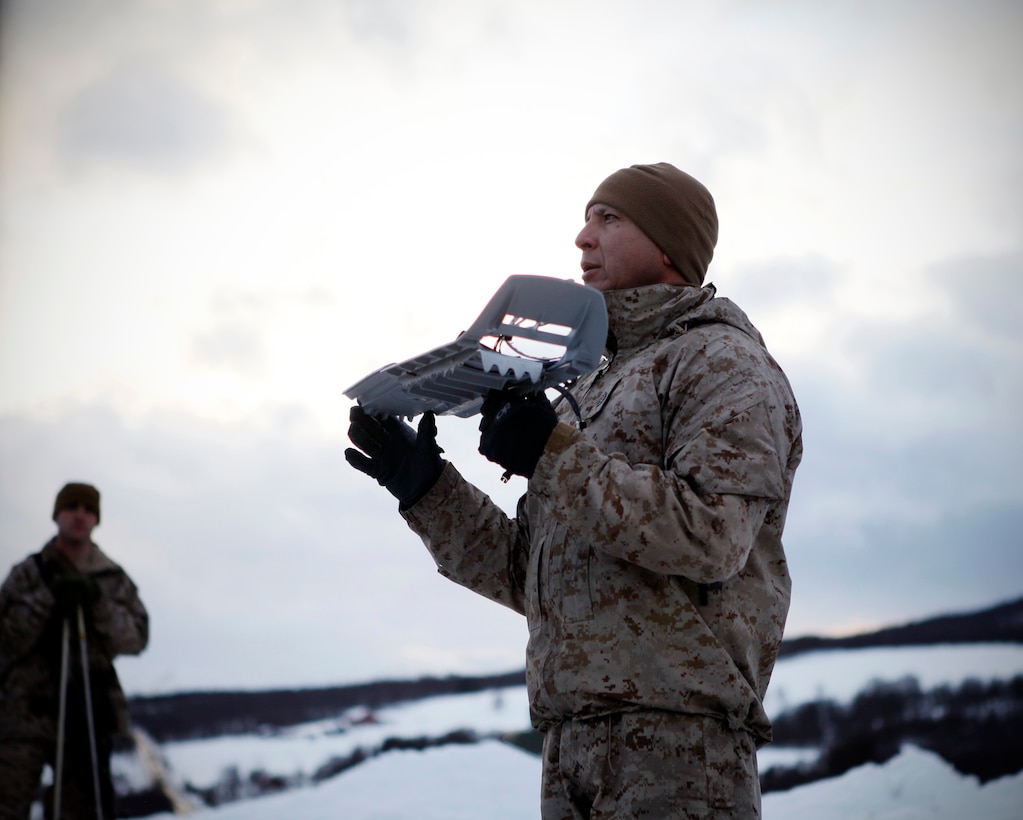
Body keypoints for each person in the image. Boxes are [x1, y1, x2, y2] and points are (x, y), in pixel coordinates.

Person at [346, 162, 802, 818]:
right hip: (567, 747)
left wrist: (551, 455)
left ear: (669, 243)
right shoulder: (585, 387)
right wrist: (427, 490)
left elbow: (710, 538)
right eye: (588, 217)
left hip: (676, 747)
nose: (582, 237)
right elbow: (527, 576)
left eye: (607, 218)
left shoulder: (722, 365)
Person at [0, 482, 149, 820]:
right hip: (25, 712)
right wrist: (48, 598)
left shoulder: (112, 579)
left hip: (88, 710)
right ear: (58, 515)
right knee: (8, 803)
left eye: (88, 508)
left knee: (85, 809)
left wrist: (97, 603)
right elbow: (6, 638)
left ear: (96, 519)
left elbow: (136, 638)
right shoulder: (29, 574)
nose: (80, 515)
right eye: (72, 507)